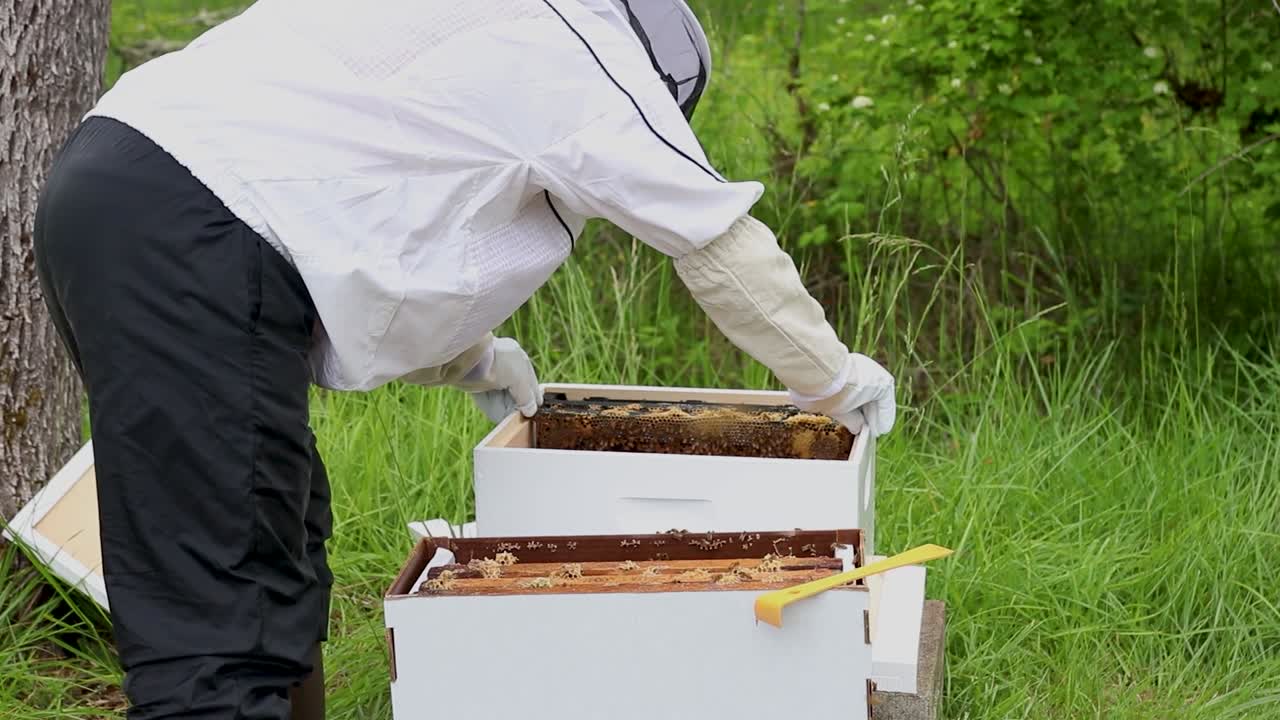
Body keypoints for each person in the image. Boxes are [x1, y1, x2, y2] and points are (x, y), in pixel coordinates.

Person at [32, 1, 897, 718]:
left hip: (118, 188)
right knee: (220, 621)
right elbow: (719, 245)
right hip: (194, 228)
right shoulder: (588, 58)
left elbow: (386, 239)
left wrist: (482, 363)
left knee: (275, 537)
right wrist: (832, 378)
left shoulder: (475, 26)